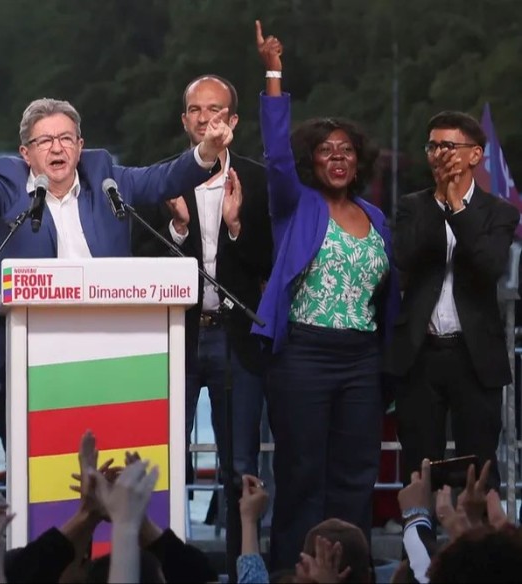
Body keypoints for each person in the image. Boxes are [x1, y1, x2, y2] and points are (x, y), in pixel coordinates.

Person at [0, 97, 232, 446]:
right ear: (26, 153)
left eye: (66, 138)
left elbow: (164, 178)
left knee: (105, 454)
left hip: (107, 352)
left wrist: (207, 151)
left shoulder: (105, 179)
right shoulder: (9, 183)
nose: (58, 148)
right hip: (25, 353)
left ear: (80, 145)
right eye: (45, 141)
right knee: (36, 454)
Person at [252, 21, 400, 571]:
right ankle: (294, 573)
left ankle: (349, 573)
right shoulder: (296, 204)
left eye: (346, 151)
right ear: (311, 161)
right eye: (325, 150)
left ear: (358, 161)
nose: (337, 157)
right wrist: (274, 76)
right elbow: (275, 156)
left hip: (361, 360)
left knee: (355, 476)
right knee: (302, 475)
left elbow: (386, 296)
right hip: (304, 355)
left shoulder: (376, 218)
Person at [133, 73, 272, 565]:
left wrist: (235, 228)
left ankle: (243, 566)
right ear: (184, 120)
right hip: (178, 338)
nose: (205, 118)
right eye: (196, 110)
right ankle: (168, 569)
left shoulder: (257, 180)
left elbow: (269, 263)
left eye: (216, 110)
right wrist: (178, 227)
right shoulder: (162, 180)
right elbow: (138, 260)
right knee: (163, 462)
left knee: (240, 466)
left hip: (237, 341)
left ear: (232, 120)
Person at [386, 111, 519, 490]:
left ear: (475, 155)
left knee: (479, 468)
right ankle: (419, 531)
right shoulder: (412, 206)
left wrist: (457, 207)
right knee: (419, 467)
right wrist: (439, 201)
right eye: (432, 146)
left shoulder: (499, 212)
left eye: (448, 146)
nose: (439, 154)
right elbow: (404, 257)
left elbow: (488, 265)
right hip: (420, 355)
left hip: (474, 357)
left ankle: (477, 530)